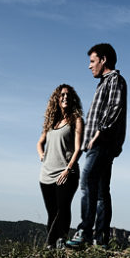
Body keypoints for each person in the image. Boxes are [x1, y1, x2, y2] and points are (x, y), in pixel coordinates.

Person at [66, 43, 127, 249]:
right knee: (101, 192)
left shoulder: (115, 80)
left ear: (103, 60)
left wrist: (97, 136)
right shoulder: (102, 83)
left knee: (86, 183)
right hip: (96, 143)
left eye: (92, 61)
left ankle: (84, 232)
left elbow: (114, 110)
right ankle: (100, 241)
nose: (89, 66)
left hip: (102, 143)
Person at [37, 84, 84, 248]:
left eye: (68, 95)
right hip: (46, 175)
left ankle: (61, 241)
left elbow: (79, 149)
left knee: (62, 210)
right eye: (62, 95)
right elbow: (39, 143)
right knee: (51, 213)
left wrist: (68, 169)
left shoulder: (76, 120)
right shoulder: (52, 122)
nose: (65, 97)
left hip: (66, 173)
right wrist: (42, 154)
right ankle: (50, 246)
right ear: (57, 99)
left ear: (72, 99)